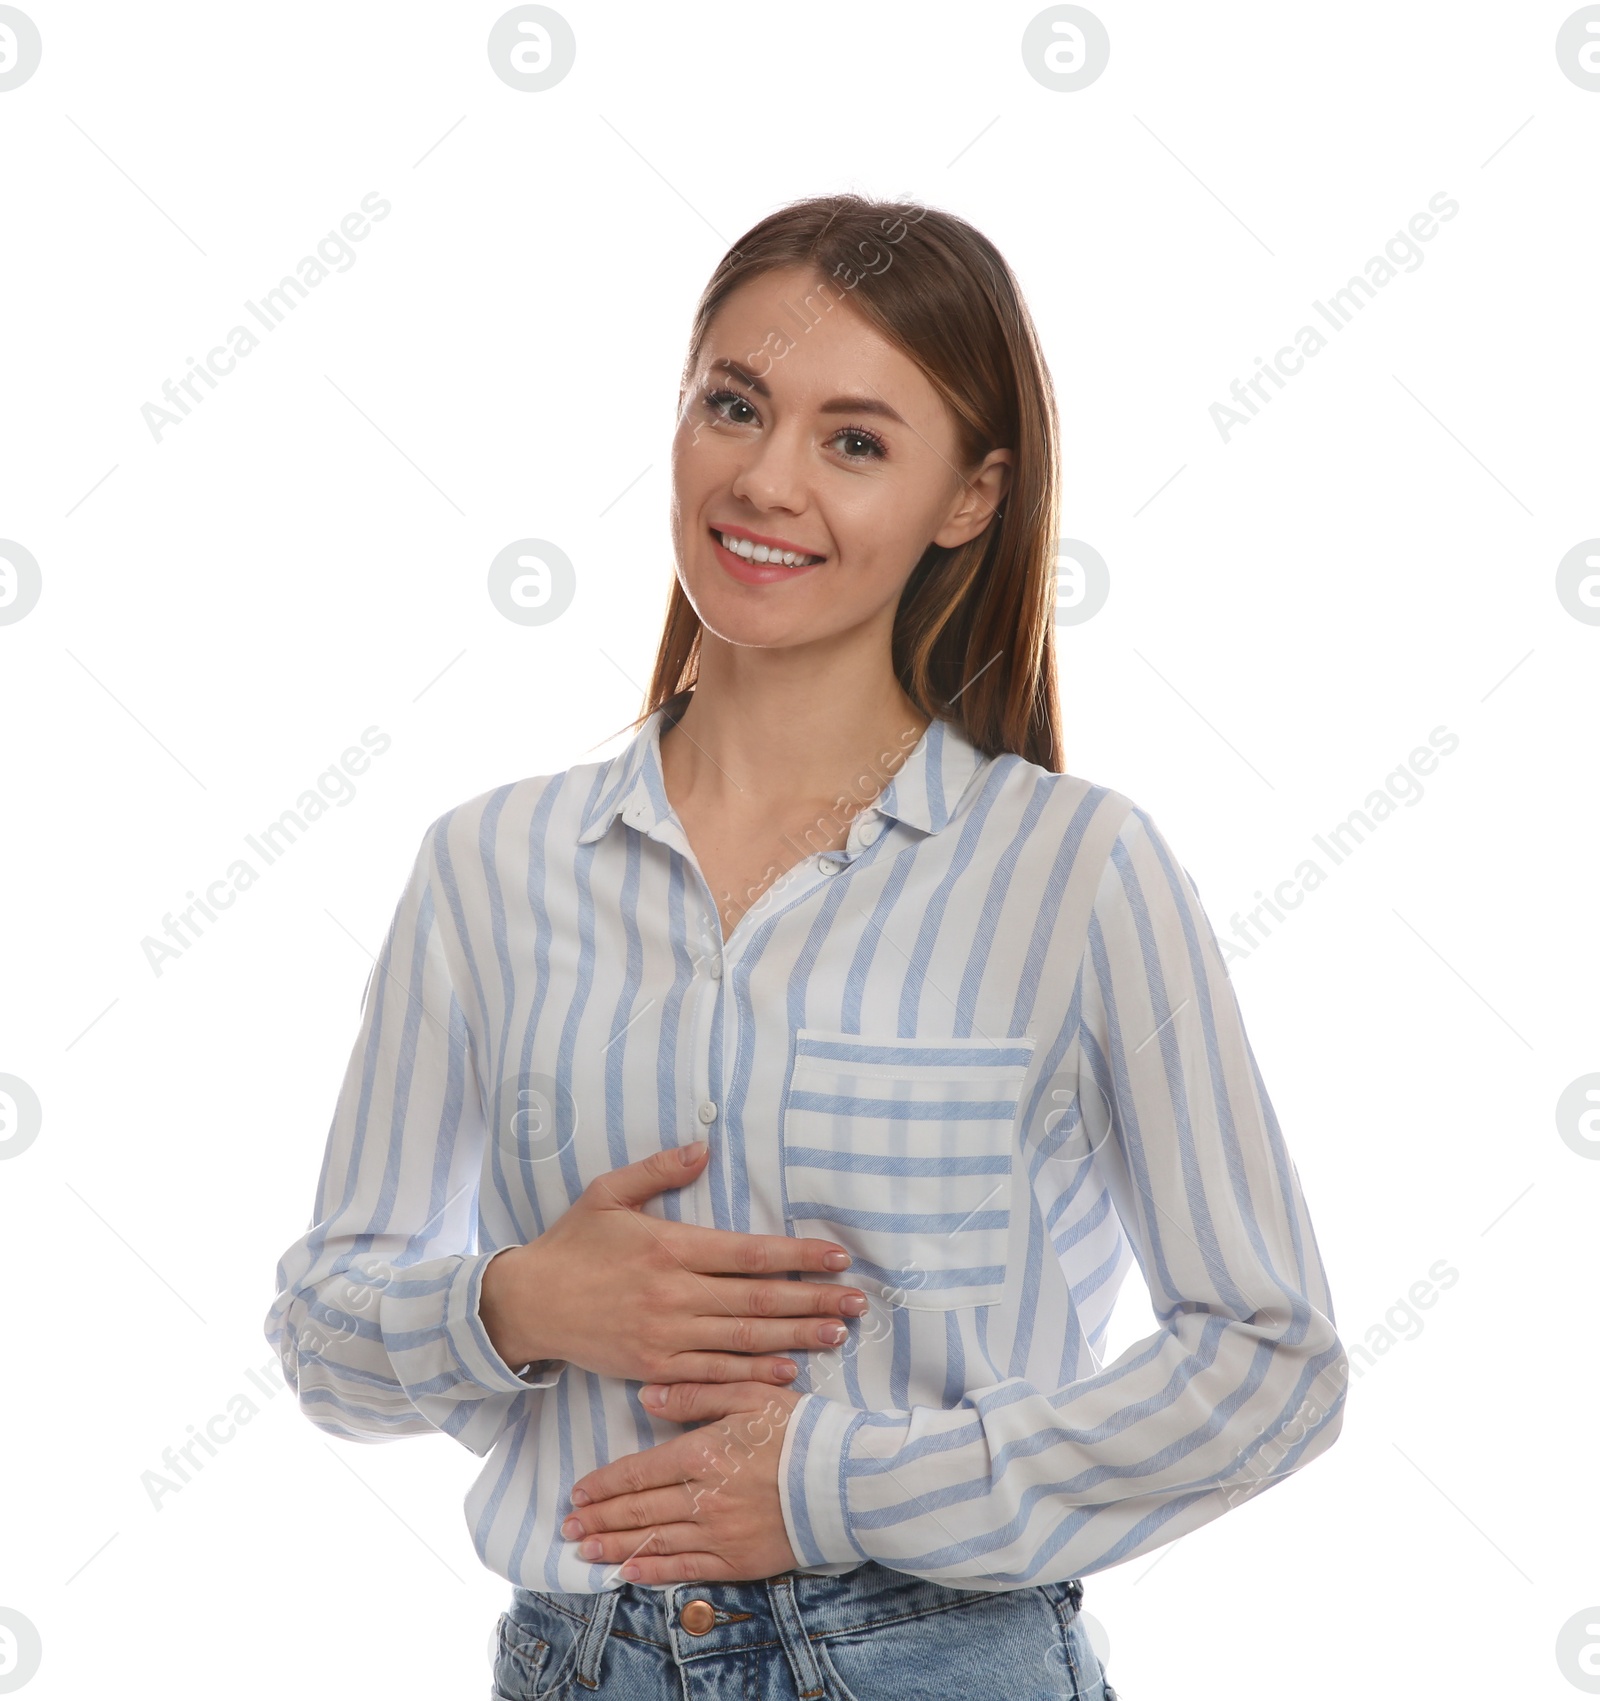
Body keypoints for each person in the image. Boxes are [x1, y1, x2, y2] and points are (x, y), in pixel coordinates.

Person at [265, 193, 1346, 1700]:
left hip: (941, 1658)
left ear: (968, 497)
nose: (765, 479)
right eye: (734, 405)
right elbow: (321, 1330)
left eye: (855, 440)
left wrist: (838, 1485)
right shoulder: (486, 867)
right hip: (584, 1661)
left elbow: (1268, 1363)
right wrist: (518, 1301)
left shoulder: (1080, 873)